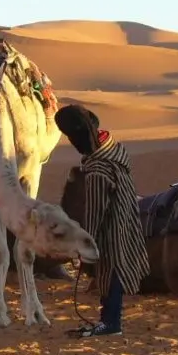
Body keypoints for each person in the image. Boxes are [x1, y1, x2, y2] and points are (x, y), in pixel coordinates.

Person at [54, 104, 150, 337]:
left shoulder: (97, 170)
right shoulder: (114, 149)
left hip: (113, 224)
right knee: (112, 269)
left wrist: (86, 241)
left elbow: (96, 210)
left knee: (110, 269)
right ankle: (109, 319)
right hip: (127, 214)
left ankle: (111, 322)